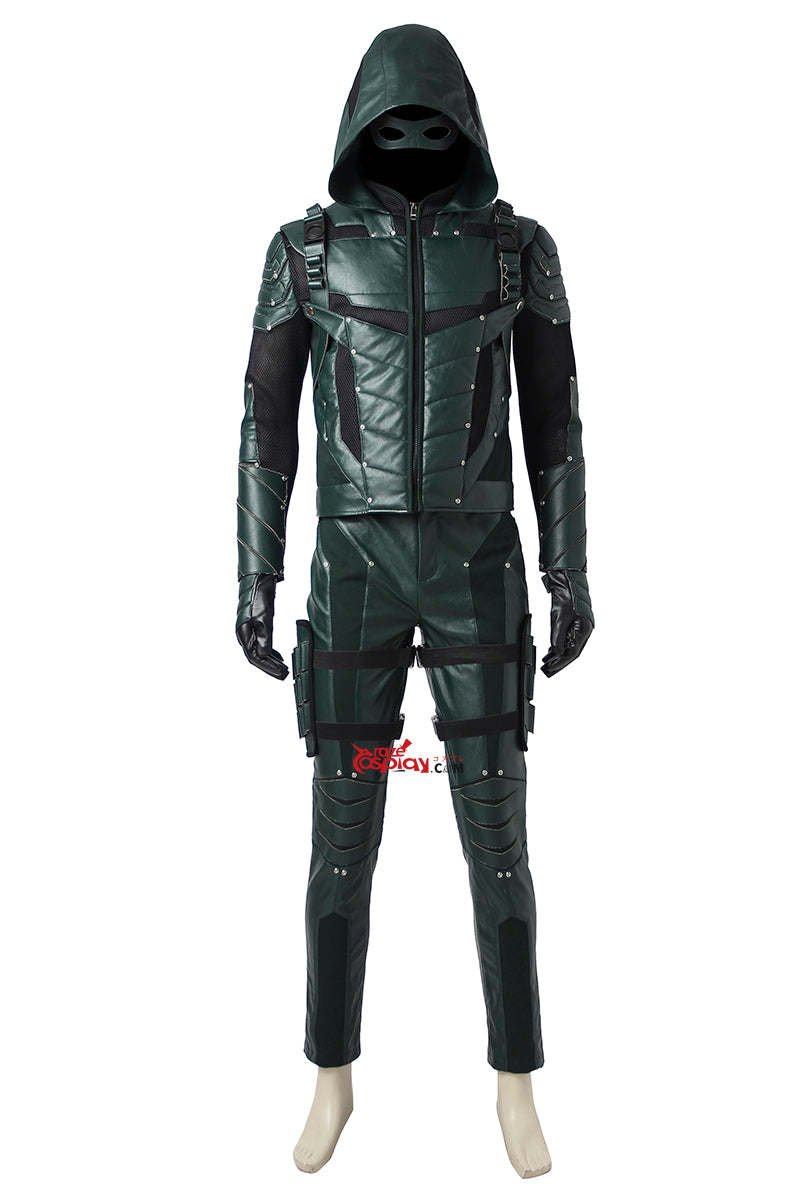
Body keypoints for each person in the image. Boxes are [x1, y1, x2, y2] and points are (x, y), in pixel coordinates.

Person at [235, 23, 594, 1178]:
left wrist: (568, 568)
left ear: (466, 126)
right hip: (352, 571)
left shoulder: (515, 251)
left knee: (496, 841)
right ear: (356, 128)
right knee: (341, 839)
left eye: (430, 122)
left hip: (479, 565)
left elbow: (555, 424)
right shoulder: (304, 253)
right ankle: (330, 1077)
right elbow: (265, 423)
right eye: (390, 124)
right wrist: (253, 571)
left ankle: (515, 1084)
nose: (410, 140)